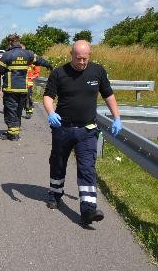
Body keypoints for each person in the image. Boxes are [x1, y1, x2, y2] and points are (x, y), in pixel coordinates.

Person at [43, 40, 122, 225]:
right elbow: (48, 96)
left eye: (85, 59)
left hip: (87, 130)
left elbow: (108, 95)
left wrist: (117, 117)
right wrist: (51, 112)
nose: (82, 62)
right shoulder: (59, 73)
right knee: (58, 162)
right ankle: (55, 194)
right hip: (63, 128)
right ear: (71, 54)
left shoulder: (98, 71)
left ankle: (88, 209)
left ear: (90, 56)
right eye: (78, 58)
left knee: (87, 168)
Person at [0, 35, 52, 140]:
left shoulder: (7, 55)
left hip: (10, 89)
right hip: (23, 88)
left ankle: (12, 134)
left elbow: (0, 71)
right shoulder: (28, 53)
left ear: (10, 43)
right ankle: (15, 132)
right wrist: (49, 65)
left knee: (10, 110)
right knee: (18, 110)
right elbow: (40, 61)